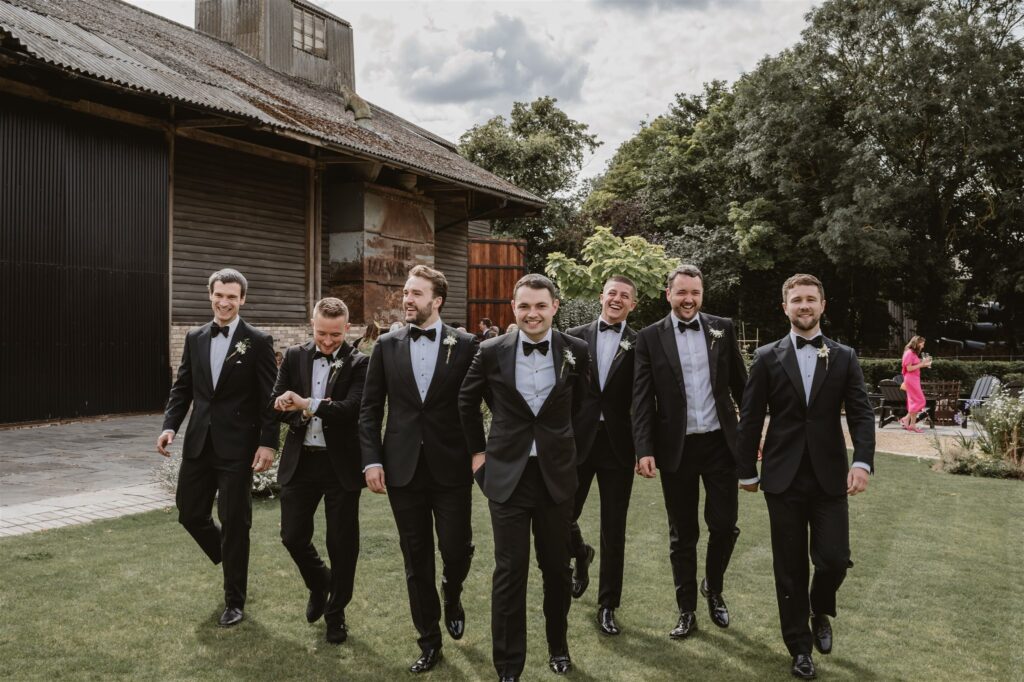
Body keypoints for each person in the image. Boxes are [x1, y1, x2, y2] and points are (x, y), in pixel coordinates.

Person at [735, 273, 875, 680]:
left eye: (811, 299)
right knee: (790, 566)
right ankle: (798, 647)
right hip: (782, 478)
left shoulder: (844, 356)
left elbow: (862, 413)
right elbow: (750, 419)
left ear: (822, 305)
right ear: (785, 307)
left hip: (831, 477)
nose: (804, 306)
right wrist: (746, 469)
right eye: (796, 300)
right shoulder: (765, 357)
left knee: (833, 560)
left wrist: (862, 461)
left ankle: (821, 606)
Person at [459, 274, 590, 682]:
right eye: (523, 306)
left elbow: (581, 407)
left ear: (554, 307)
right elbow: (466, 399)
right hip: (506, 477)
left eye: (539, 306)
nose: (532, 314)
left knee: (555, 568)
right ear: (513, 309)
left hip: (555, 477)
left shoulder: (576, 351)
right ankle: (508, 666)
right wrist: (479, 454)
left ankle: (559, 648)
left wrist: (571, 455)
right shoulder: (492, 350)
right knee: (510, 571)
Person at [359, 265, 479, 674]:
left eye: (416, 294)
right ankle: (429, 640)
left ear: (437, 300)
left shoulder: (466, 345)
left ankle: (453, 589)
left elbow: (483, 401)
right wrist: (372, 459)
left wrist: (483, 451)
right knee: (416, 557)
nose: (407, 299)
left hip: (452, 467)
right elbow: (370, 409)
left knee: (456, 547)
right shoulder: (386, 346)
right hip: (402, 469)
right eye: (405, 292)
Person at [156, 268, 277, 628]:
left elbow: (268, 398)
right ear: (210, 295)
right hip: (199, 443)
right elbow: (183, 389)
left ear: (242, 300)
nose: (224, 302)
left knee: (235, 522)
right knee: (190, 513)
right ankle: (230, 556)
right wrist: (169, 427)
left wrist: (267, 443)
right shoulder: (195, 337)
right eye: (219, 295)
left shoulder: (258, 340)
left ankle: (234, 601)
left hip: (238, 447)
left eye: (232, 297)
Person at [632, 264, 748, 640]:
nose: (689, 300)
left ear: (702, 294)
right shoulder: (649, 337)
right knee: (683, 535)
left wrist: (753, 434)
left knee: (725, 525)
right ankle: (686, 611)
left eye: (695, 293)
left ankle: (713, 588)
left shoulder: (722, 329)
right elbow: (641, 399)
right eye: (682, 293)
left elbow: (741, 386)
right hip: (676, 448)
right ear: (668, 294)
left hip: (720, 444)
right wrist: (644, 447)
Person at [271, 298, 368, 645]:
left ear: (347, 328)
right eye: (322, 333)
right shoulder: (295, 356)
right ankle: (319, 582)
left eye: (336, 335)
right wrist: (287, 405)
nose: (328, 342)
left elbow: (352, 409)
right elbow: (276, 403)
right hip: (302, 462)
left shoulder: (359, 363)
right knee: (292, 536)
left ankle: (336, 614)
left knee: (342, 543)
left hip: (340, 465)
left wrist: (309, 404)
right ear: (311, 323)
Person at [565, 275, 639, 636]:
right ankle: (580, 554)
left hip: (619, 446)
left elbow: (645, 401)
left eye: (624, 296)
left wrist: (645, 448)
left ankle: (608, 605)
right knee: (561, 514)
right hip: (576, 442)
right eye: (612, 293)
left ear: (632, 305)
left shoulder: (640, 344)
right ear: (601, 296)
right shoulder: (573, 336)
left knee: (614, 529)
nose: (617, 299)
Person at [900, 336, 932, 433]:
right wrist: (922, 364)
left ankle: (912, 424)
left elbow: (914, 366)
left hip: (914, 379)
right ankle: (906, 418)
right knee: (920, 400)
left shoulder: (912, 353)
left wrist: (924, 364)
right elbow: (909, 369)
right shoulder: (909, 353)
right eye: (922, 343)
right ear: (916, 343)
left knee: (913, 401)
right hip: (911, 379)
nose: (923, 346)